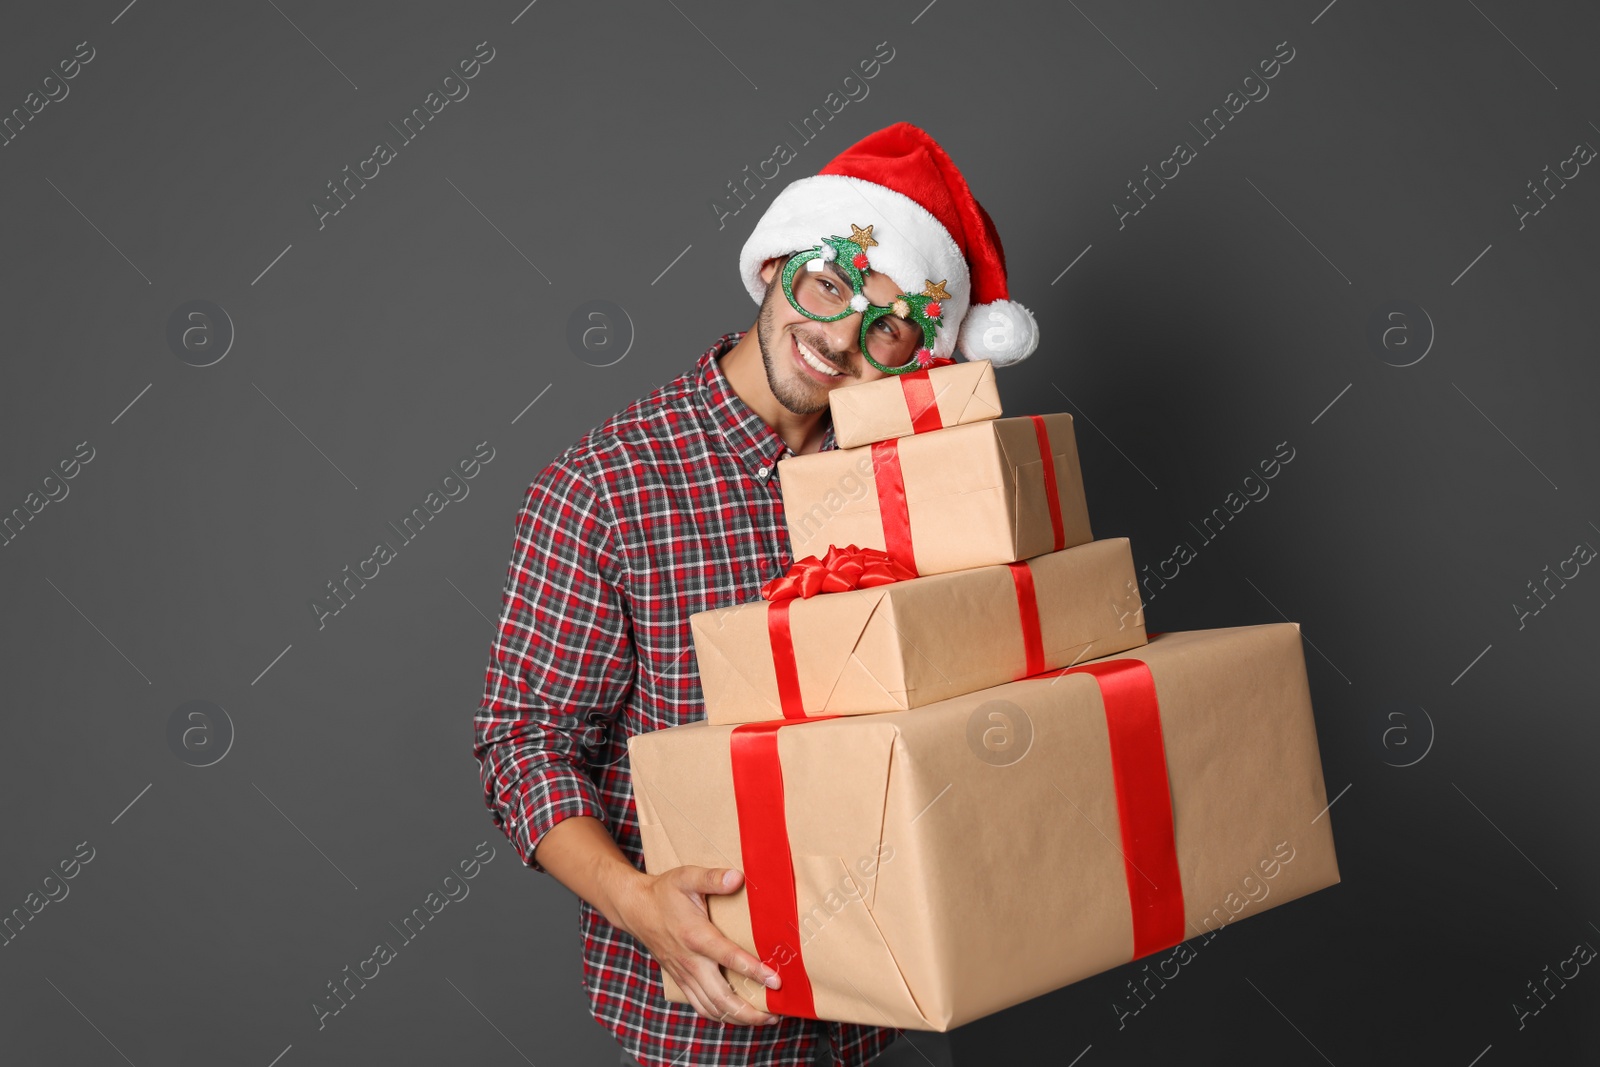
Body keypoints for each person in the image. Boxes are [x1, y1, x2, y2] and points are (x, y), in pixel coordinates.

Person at [473, 121, 1039, 1067]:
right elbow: (523, 745)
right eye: (829, 285)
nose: (838, 339)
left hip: (885, 1002)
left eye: (888, 328)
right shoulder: (607, 485)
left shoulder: (910, 482)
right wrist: (637, 903)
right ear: (777, 263)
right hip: (707, 1018)